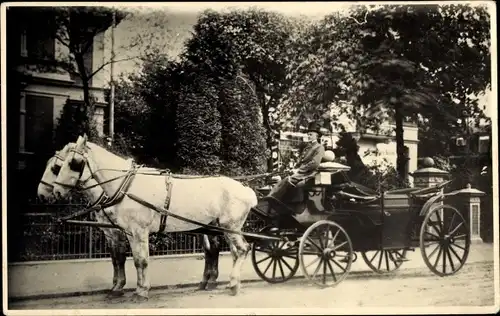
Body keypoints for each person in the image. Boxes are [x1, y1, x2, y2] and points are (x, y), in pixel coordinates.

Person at [268, 122, 326, 202]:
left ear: (317, 136)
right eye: (308, 134)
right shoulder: (308, 147)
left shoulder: (319, 147)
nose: (309, 136)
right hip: (303, 172)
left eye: (311, 134)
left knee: (287, 180)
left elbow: (314, 163)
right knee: (282, 178)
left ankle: (276, 200)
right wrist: (294, 168)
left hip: (310, 173)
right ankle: (276, 199)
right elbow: (301, 160)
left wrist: (299, 170)